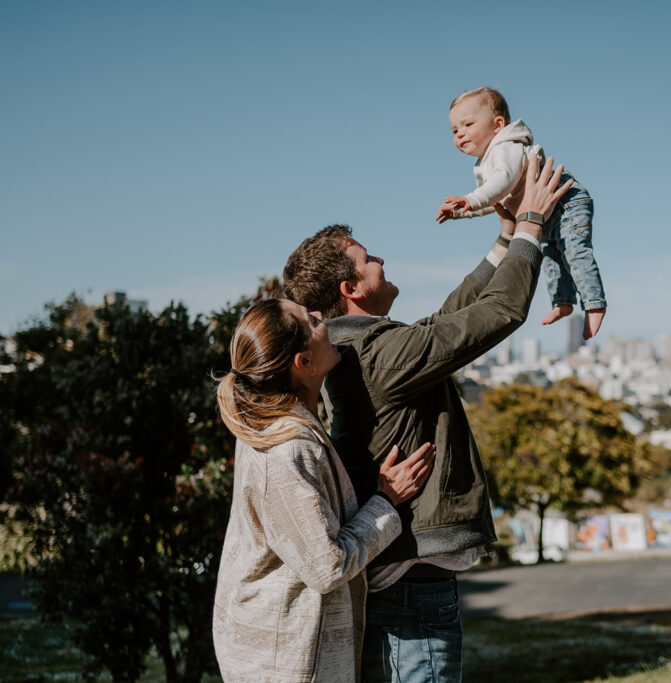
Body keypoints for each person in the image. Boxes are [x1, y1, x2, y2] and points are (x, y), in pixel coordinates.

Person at [282, 154, 571, 682]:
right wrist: (531, 226)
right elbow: (491, 317)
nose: (381, 261)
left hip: (404, 578)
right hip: (415, 587)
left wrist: (505, 238)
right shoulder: (377, 355)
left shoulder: (363, 348)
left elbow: (445, 321)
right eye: (368, 260)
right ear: (352, 289)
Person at [211, 297, 436, 682]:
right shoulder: (286, 448)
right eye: (311, 321)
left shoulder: (280, 425)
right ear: (304, 363)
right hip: (286, 659)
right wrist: (386, 501)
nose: (323, 321)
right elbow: (326, 566)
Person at [437, 86, 607, 340]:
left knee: (574, 251)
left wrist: (469, 200)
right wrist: (461, 211)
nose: (460, 134)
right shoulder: (486, 163)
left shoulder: (506, 147)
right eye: (454, 130)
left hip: (566, 202)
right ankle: (563, 302)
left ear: (497, 125)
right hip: (546, 213)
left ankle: (594, 303)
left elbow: (503, 183)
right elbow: (494, 201)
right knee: (550, 256)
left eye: (467, 124)